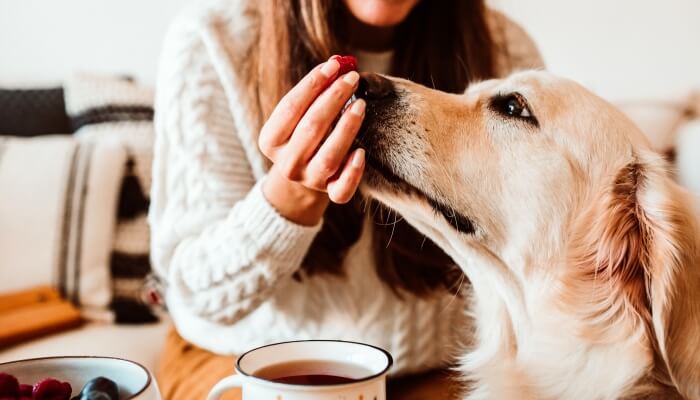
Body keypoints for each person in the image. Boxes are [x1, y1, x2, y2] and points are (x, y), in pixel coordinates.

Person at [150, 0, 543, 398]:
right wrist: (290, 196)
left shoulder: (503, 49)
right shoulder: (211, 41)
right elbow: (198, 295)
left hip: (440, 369)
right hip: (247, 365)